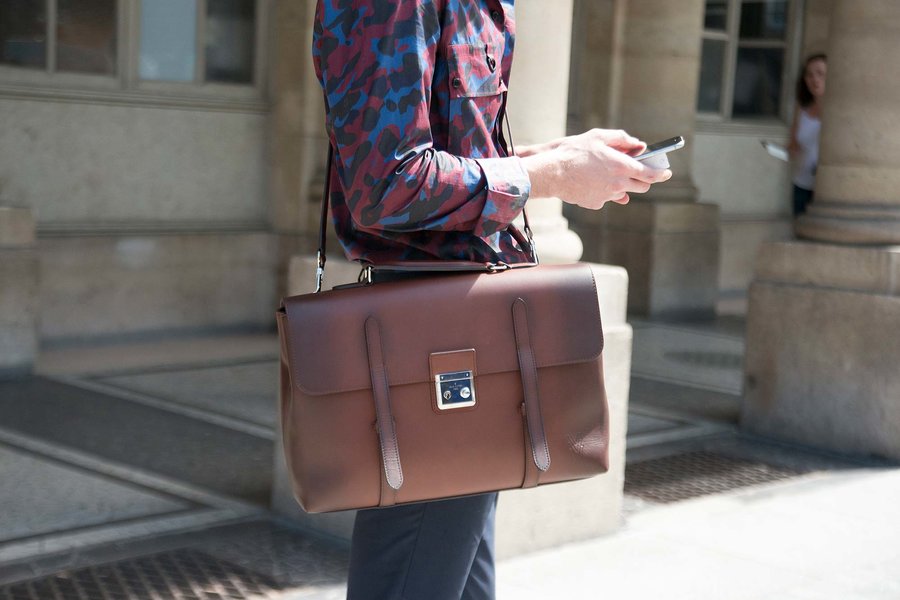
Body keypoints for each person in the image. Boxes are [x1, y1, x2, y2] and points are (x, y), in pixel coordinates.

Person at [313, 2, 671, 599]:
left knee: (456, 573)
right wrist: (550, 175)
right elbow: (388, 185)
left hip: (469, 321)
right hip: (427, 336)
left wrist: (550, 157)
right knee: (413, 576)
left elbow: (440, 151)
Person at [788, 53, 827, 216]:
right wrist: (791, 150)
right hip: (802, 184)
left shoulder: (838, 112)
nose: (814, 79)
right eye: (809, 74)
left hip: (826, 187)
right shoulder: (801, 109)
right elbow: (792, 146)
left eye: (820, 73)